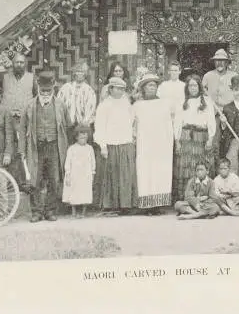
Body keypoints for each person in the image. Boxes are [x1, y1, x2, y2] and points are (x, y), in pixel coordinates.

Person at [18, 70, 72, 223]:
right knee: (34, 180)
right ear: (38, 88)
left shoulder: (61, 105)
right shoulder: (29, 106)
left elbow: (68, 125)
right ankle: (36, 212)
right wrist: (22, 150)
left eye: (49, 90)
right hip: (36, 148)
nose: (46, 93)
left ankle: (50, 211)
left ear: (54, 87)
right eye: (43, 90)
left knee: (54, 180)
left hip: (55, 147)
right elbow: (22, 129)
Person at [132, 73, 175, 214]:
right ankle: (147, 206)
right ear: (143, 88)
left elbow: (171, 122)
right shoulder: (137, 105)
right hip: (144, 145)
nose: (153, 88)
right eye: (149, 85)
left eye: (155, 85)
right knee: (145, 172)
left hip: (161, 144)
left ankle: (158, 205)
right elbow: (133, 125)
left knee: (160, 172)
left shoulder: (165, 103)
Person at [94, 77, 137, 215]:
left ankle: (125, 204)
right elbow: (99, 127)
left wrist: (131, 138)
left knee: (126, 174)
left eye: (122, 89)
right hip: (111, 144)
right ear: (110, 89)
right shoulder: (104, 105)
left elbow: (131, 121)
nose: (120, 91)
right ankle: (110, 205)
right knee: (111, 175)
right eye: (117, 88)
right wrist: (103, 146)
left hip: (125, 143)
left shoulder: (127, 104)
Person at [174, 75, 217, 201]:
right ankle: (186, 197)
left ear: (199, 86)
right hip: (186, 136)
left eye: (195, 85)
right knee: (186, 166)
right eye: (190, 85)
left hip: (201, 136)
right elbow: (177, 122)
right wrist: (177, 141)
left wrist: (210, 138)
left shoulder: (207, 101)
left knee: (200, 164)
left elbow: (211, 121)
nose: (193, 88)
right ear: (187, 87)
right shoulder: (182, 101)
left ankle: (203, 196)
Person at [1, 53, 38, 190]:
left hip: (24, 119)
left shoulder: (31, 78)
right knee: (9, 148)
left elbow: (36, 96)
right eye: (17, 62)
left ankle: (24, 182)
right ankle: (9, 182)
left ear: (25, 64)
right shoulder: (4, 78)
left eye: (22, 62)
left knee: (24, 149)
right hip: (8, 119)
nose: (19, 65)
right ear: (12, 63)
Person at [57, 61, 97, 145]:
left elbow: (91, 108)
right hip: (67, 126)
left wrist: (83, 124)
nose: (79, 74)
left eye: (82, 71)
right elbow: (59, 104)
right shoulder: (66, 87)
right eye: (77, 71)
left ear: (85, 74)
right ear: (74, 73)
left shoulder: (89, 90)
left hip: (82, 126)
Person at [62, 126, 96, 218]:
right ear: (76, 137)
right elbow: (68, 162)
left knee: (85, 192)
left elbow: (93, 162)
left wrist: (92, 173)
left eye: (85, 138)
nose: (83, 140)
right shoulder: (72, 149)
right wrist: (68, 174)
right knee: (74, 192)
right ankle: (74, 211)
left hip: (86, 175)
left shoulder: (89, 148)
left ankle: (83, 212)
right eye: (81, 138)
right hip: (75, 175)